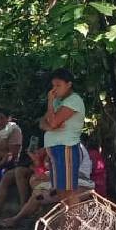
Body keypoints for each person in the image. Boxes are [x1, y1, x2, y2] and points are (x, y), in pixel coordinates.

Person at [40, 68, 86, 202]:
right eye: (53, 86)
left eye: (58, 85)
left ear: (69, 84)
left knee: (69, 190)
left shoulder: (74, 100)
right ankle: (67, 220)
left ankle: (75, 222)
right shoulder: (57, 102)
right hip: (55, 149)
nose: (54, 90)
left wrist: (50, 106)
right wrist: (50, 126)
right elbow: (42, 122)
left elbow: (52, 121)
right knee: (60, 189)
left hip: (67, 148)